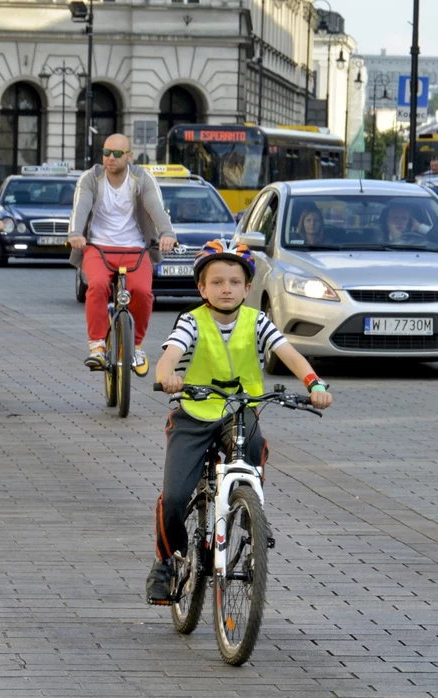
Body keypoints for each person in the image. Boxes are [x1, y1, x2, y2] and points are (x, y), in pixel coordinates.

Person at [146, 240, 333, 604]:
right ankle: (167, 559)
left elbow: (288, 353)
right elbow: (169, 357)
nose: (226, 289)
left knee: (256, 448)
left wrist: (315, 384)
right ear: (202, 288)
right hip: (195, 413)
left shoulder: (257, 321)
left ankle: (250, 512)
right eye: (216, 282)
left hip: (240, 409)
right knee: (173, 498)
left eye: (234, 282)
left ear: (248, 288)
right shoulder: (192, 321)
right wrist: (167, 375)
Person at [68, 133, 177, 375]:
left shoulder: (141, 178)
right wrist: (76, 233)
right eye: (106, 152)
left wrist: (167, 233)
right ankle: (96, 346)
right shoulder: (91, 178)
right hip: (98, 247)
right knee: (96, 286)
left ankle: (136, 345)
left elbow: (155, 207)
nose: (110, 158)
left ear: (129, 156)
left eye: (117, 154)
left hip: (135, 248)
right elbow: (81, 205)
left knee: (143, 293)